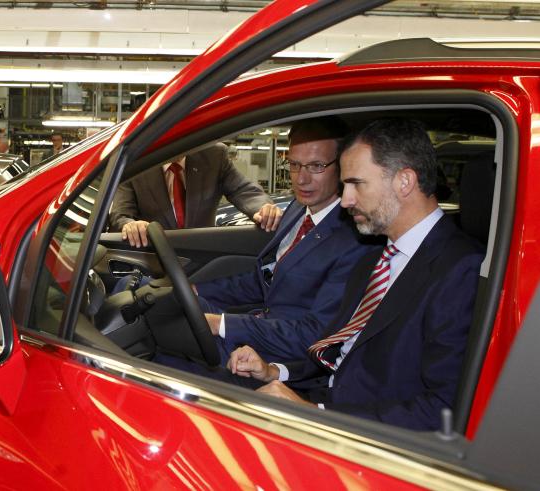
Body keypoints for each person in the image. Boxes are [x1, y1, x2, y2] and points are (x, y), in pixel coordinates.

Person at [225, 118, 484, 431]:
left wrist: (313, 413)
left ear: (404, 182)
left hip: (364, 435)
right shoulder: (376, 259)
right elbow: (338, 349)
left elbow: (443, 409)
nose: (345, 200)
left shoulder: (461, 269)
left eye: (356, 184)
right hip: (324, 400)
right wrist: (274, 372)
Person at [196, 117, 380, 362]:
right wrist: (196, 290)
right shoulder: (298, 208)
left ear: (344, 166)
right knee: (163, 302)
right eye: (294, 164)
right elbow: (264, 282)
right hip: (261, 330)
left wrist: (223, 325)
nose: (301, 179)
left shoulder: (355, 239)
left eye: (316, 166)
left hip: (283, 358)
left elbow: (316, 335)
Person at [110, 143, 280, 247]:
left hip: (202, 260)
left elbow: (243, 190)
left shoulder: (214, 156)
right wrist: (131, 225)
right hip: (155, 263)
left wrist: (263, 208)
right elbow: (121, 214)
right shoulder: (137, 163)